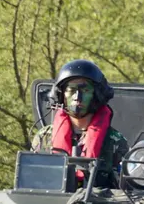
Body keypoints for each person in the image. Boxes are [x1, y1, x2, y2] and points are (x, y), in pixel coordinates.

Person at [32, 59, 129, 189]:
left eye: (85, 90)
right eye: (71, 90)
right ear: (61, 95)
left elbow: (124, 192)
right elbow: (31, 181)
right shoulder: (44, 137)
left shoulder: (115, 141)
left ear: (97, 95)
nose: (77, 97)